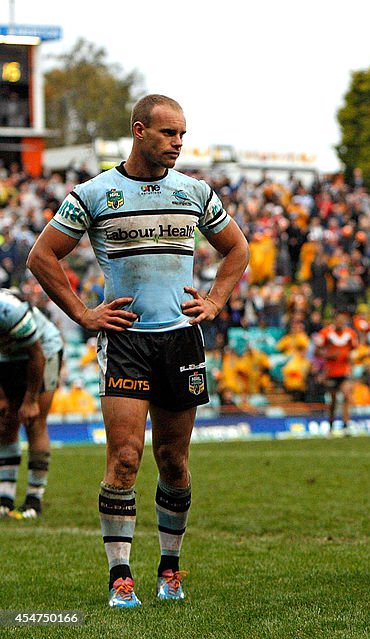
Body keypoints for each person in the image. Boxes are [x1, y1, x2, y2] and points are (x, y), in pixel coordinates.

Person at [27, 94, 250, 607]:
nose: (177, 143)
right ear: (139, 130)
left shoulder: (194, 192)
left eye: (182, 135)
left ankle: (169, 571)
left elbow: (237, 248)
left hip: (180, 340)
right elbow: (42, 256)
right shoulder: (94, 194)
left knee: (173, 460)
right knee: (125, 458)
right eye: (169, 134)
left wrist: (216, 299)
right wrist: (84, 313)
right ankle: (120, 577)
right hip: (126, 340)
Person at [0, 288, 63, 520]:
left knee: (34, 420)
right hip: (6, 356)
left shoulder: (8, 309)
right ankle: (4, 498)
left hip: (43, 349)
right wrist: (3, 398)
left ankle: (34, 498)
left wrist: (31, 399)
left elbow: (36, 355)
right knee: (5, 422)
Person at [314, 311, 357, 430]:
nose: (341, 322)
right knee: (333, 400)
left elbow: (352, 350)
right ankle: (331, 423)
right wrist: (328, 356)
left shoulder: (350, 334)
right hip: (331, 372)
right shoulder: (325, 333)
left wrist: (350, 360)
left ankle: (346, 423)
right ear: (334, 320)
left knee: (347, 394)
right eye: (339, 320)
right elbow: (316, 351)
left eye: (343, 320)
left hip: (344, 371)